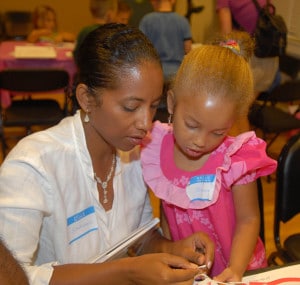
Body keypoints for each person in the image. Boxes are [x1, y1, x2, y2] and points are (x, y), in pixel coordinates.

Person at [0, 23, 214, 285]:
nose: (145, 124)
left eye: (153, 106)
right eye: (131, 107)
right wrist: (126, 271)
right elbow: (12, 278)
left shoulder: (133, 152)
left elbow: (141, 237)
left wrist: (174, 249)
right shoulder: (32, 166)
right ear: (87, 99)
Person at [141, 31, 278, 282]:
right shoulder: (157, 148)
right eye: (192, 125)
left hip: (236, 268)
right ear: (172, 104)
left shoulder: (234, 159)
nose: (200, 141)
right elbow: (168, 211)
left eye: (218, 132)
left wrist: (236, 269)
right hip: (189, 270)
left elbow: (249, 219)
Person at [216, 0, 280, 98]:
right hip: (269, 58)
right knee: (246, 106)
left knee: (235, 105)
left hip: (248, 58)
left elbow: (227, 36)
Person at [139, 0, 192, 83]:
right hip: (177, 74)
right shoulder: (182, 21)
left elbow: (140, 50)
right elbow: (188, 50)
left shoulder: (146, 21)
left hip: (154, 73)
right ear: (173, 1)